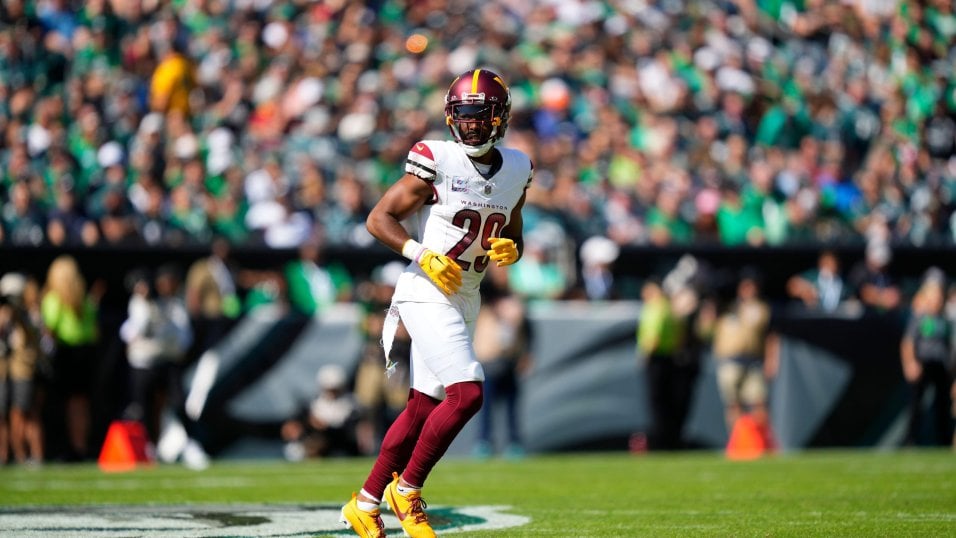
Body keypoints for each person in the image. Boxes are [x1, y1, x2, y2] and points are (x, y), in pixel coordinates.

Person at [339, 69, 531, 538]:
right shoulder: (437, 159)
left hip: (468, 293)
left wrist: (513, 249)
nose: (470, 125)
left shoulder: (518, 167)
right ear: (450, 117)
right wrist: (420, 252)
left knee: (422, 407)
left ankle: (364, 503)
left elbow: (512, 230)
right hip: (425, 288)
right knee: (468, 393)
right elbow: (378, 218)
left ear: (500, 118)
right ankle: (406, 490)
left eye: (480, 116)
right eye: (463, 116)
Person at [41, 255, 101, 461]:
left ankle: (73, 448)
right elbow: (94, 332)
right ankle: (80, 445)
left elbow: (50, 328)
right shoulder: (86, 300)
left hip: (66, 353)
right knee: (81, 404)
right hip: (85, 352)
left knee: (69, 404)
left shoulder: (54, 299)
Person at [472, 264, 532, 458]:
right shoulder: (485, 297)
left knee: (511, 406)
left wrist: (526, 353)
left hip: (510, 358)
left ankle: (514, 442)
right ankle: (484, 442)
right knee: (486, 406)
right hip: (489, 357)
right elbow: (484, 287)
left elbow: (527, 328)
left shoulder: (515, 298)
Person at [900, 270, 954, 446]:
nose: (937, 300)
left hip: (941, 366)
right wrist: (910, 363)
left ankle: (944, 440)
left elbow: (949, 344)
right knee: (916, 405)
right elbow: (908, 342)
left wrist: (951, 368)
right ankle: (910, 441)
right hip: (923, 363)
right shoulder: (920, 317)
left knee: (942, 405)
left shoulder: (945, 319)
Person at [281, 363, 360, 460]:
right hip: (313, 439)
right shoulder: (313, 403)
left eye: (334, 389)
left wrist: (325, 427)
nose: (332, 393)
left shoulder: (350, 404)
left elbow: (349, 430)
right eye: (329, 389)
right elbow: (295, 424)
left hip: (339, 444)